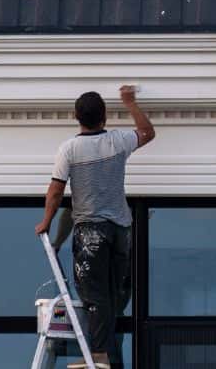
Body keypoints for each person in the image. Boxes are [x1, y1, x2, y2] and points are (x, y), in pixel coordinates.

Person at [36, 85, 155, 369]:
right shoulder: (118, 141)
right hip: (120, 231)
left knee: (93, 295)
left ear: (77, 117)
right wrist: (130, 103)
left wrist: (46, 223)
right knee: (113, 298)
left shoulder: (70, 149)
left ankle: (99, 356)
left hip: (91, 233)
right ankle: (110, 358)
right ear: (103, 117)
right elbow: (148, 132)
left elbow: (55, 192)